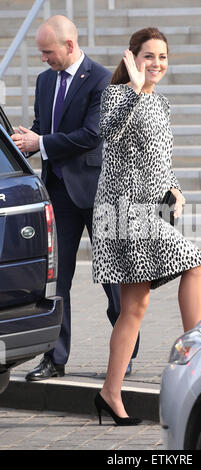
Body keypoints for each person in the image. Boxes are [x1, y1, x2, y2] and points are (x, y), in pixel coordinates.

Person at [11, 15, 139, 380]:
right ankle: (55, 358)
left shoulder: (103, 79)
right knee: (56, 279)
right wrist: (25, 144)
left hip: (100, 192)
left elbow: (91, 135)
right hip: (59, 194)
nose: (43, 59)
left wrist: (42, 143)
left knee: (113, 279)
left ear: (69, 45)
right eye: (40, 53)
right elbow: (42, 130)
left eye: (48, 52)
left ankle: (124, 353)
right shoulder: (44, 80)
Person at [92, 27, 201, 426]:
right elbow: (108, 133)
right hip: (123, 210)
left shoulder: (162, 103)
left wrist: (174, 187)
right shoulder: (119, 95)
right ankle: (198, 354)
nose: (157, 64)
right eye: (149, 56)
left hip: (152, 208)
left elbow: (161, 156)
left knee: (134, 307)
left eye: (163, 57)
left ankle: (110, 392)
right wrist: (136, 91)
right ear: (132, 59)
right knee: (197, 263)